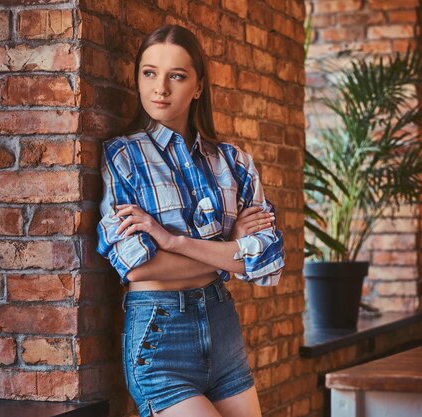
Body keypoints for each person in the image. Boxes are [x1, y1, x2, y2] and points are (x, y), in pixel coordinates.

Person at [96, 24, 285, 417]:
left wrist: (173, 240)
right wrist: (229, 247)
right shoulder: (123, 158)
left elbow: (268, 263)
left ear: (198, 86)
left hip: (223, 332)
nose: (159, 88)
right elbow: (138, 266)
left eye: (176, 76)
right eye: (149, 73)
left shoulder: (234, 163)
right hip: (160, 334)